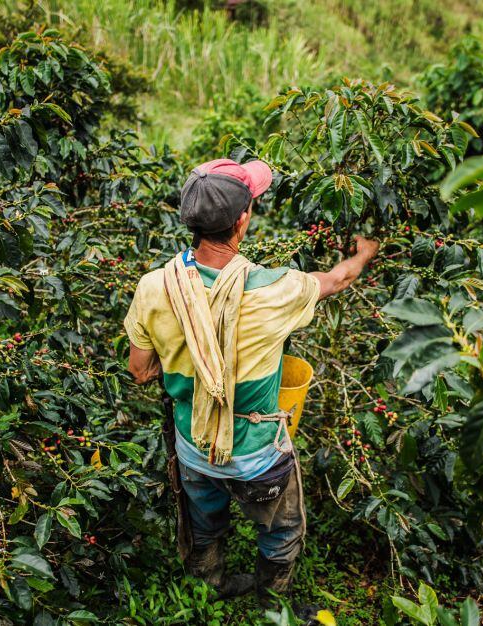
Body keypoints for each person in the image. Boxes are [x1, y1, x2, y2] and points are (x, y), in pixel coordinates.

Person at [123, 158, 379, 607]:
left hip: (193, 447)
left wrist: (192, 359)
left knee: (203, 523)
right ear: (242, 219)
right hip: (257, 455)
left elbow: (140, 371)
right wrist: (364, 252)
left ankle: (210, 587)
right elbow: (339, 278)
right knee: (281, 529)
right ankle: (271, 605)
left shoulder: (154, 287)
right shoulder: (276, 289)